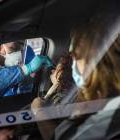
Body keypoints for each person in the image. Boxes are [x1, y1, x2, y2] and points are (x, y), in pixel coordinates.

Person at [32, 1, 120, 139]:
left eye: (76, 57)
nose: (73, 65)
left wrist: (39, 112)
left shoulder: (108, 115)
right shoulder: (95, 100)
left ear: (96, 61)